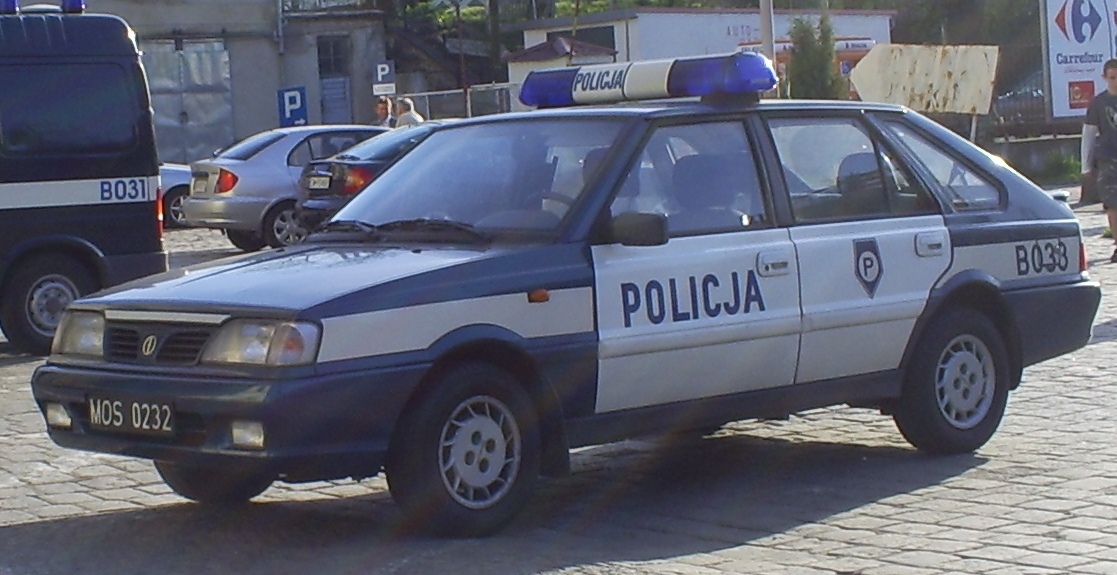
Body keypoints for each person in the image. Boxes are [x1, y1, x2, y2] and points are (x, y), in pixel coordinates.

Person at [1082, 58, 1117, 262]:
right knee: (1112, 206)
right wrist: (1086, 164)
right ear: (1104, 78)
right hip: (1108, 159)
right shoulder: (1098, 103)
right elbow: (1088, 134)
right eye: (1112, 77)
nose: (1115, 81)